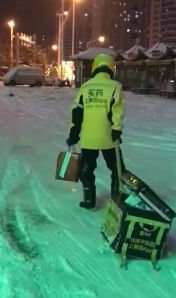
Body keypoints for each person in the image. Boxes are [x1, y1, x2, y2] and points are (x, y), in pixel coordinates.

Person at [66, 53, 126, 209]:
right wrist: (116, 129)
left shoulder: (85, 87)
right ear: (111, 69)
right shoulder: (115, 86)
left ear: (94, 68)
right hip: (108, 138)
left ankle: (89, 201)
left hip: (88, 138)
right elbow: (117, 111)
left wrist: (74, 133)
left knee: (87, 168)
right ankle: (116, 199)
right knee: (117, 169)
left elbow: (77, 112)